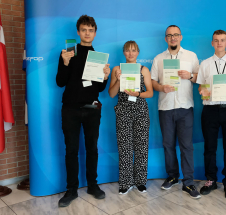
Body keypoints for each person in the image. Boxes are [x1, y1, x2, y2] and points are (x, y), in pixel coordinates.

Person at [56, 15, 111, 207]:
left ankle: (92, 185)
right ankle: (71, 189)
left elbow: (100, 89)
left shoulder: (99, 57)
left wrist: (105, 77)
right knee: (71, 150)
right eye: (84, 30)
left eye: (91, 30)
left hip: (92, 109)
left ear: (95, 33)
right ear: (78, 32)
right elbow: (60, 82)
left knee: (92, 149)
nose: (87, 33)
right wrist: (64, 63)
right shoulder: (68, 52)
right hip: (70, 109)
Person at [151, 25, 201, 199]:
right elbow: (153, 83)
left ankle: (188, 182)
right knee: (168, 145)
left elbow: (199, 78)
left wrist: (190, 76)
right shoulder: (158, 59)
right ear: (166, 38)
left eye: (176, 35)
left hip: (185, 107)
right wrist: (161, 87)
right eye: (169, 35)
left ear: (181, 37)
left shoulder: (191, 56)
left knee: (187, 146)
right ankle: (172, 176)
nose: (173, 38)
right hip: (165, 107)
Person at [197, 30, 226, 199]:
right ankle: (211, 180)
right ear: (212, 43)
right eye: (216, 40)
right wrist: (203, 90)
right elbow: (200, 86)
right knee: (210, 147)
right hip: (210, 110)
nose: (219, 43)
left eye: (222, 40)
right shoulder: (205, 64)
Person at [108, 41, 153, 195]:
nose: (131, 53)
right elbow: (111, 94)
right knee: (124, 147)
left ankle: (140, 182)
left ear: (138, 52)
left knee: (141, 147)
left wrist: (138, 94)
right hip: (123, 111)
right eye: (127, 50)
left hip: (140, 110)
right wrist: (119, 79)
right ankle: (125, 183)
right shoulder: (117, 69)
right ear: (124, 53)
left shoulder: (144, 70)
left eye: (133, 50)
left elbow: (150, 93)